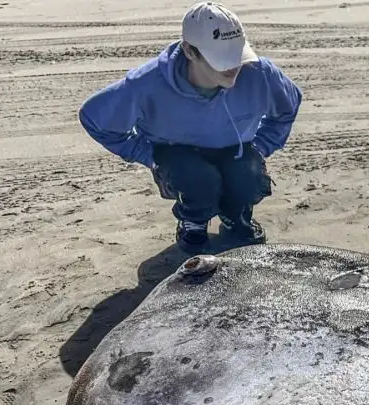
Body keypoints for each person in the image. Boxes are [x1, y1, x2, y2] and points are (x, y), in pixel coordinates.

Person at [78, 2, 302, 252]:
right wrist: (148, 156)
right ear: (190, 51)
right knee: (199, 180)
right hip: (177, 155)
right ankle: (193, 222)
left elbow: (288, 105)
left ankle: (236, 217)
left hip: (236, 149)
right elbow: (94, 118)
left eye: (236, 54)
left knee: (247, 175)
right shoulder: (146, 84)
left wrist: (261, 147)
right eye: (221, 58)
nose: (233, 67)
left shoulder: (261, 73)